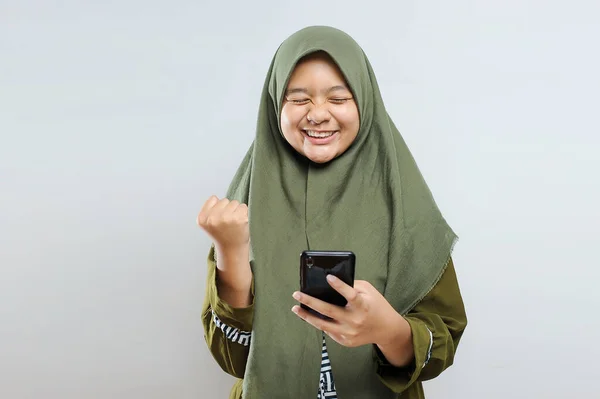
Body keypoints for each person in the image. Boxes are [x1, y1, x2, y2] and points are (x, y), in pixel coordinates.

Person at [197, 25, 467, 399]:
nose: (318, 114)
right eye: (299, 99)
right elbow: (234, 358)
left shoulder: (403, 202)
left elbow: (444, 338)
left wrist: (389, 332)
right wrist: (231, 253)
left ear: (365, 102)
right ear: (276, 103)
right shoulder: (244, 204)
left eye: (338, 99)